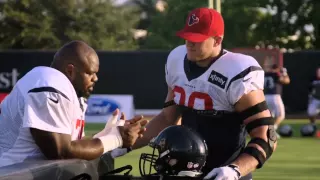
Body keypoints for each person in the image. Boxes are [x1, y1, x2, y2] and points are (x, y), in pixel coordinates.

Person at [133, 7, 277, 180]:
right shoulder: (177, 60)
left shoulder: (237, 72)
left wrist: (235, 170)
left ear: (217, 40)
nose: (189, 43)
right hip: (183, 171)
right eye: (187, 36)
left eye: (197, 39)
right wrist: (124, 144)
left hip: (223, 174)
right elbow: (167, 118)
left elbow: (266, 137)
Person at [0, 40, 148, 168]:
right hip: (9, 171)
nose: (95, 78)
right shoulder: (50, 83)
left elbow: (74, 149)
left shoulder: (72, 95)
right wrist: (115, 138)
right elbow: (60, 151)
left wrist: (106, 136)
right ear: (71, 71)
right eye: (90, 73)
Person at [263, 63, 290, 138]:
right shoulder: (276, 73)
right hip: (274, 96)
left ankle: (268, 132)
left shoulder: (265, 74)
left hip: (265, 96)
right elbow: (286, 81)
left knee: (270, 116)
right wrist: (285, 73)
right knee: (281, 115)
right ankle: (273, 130)